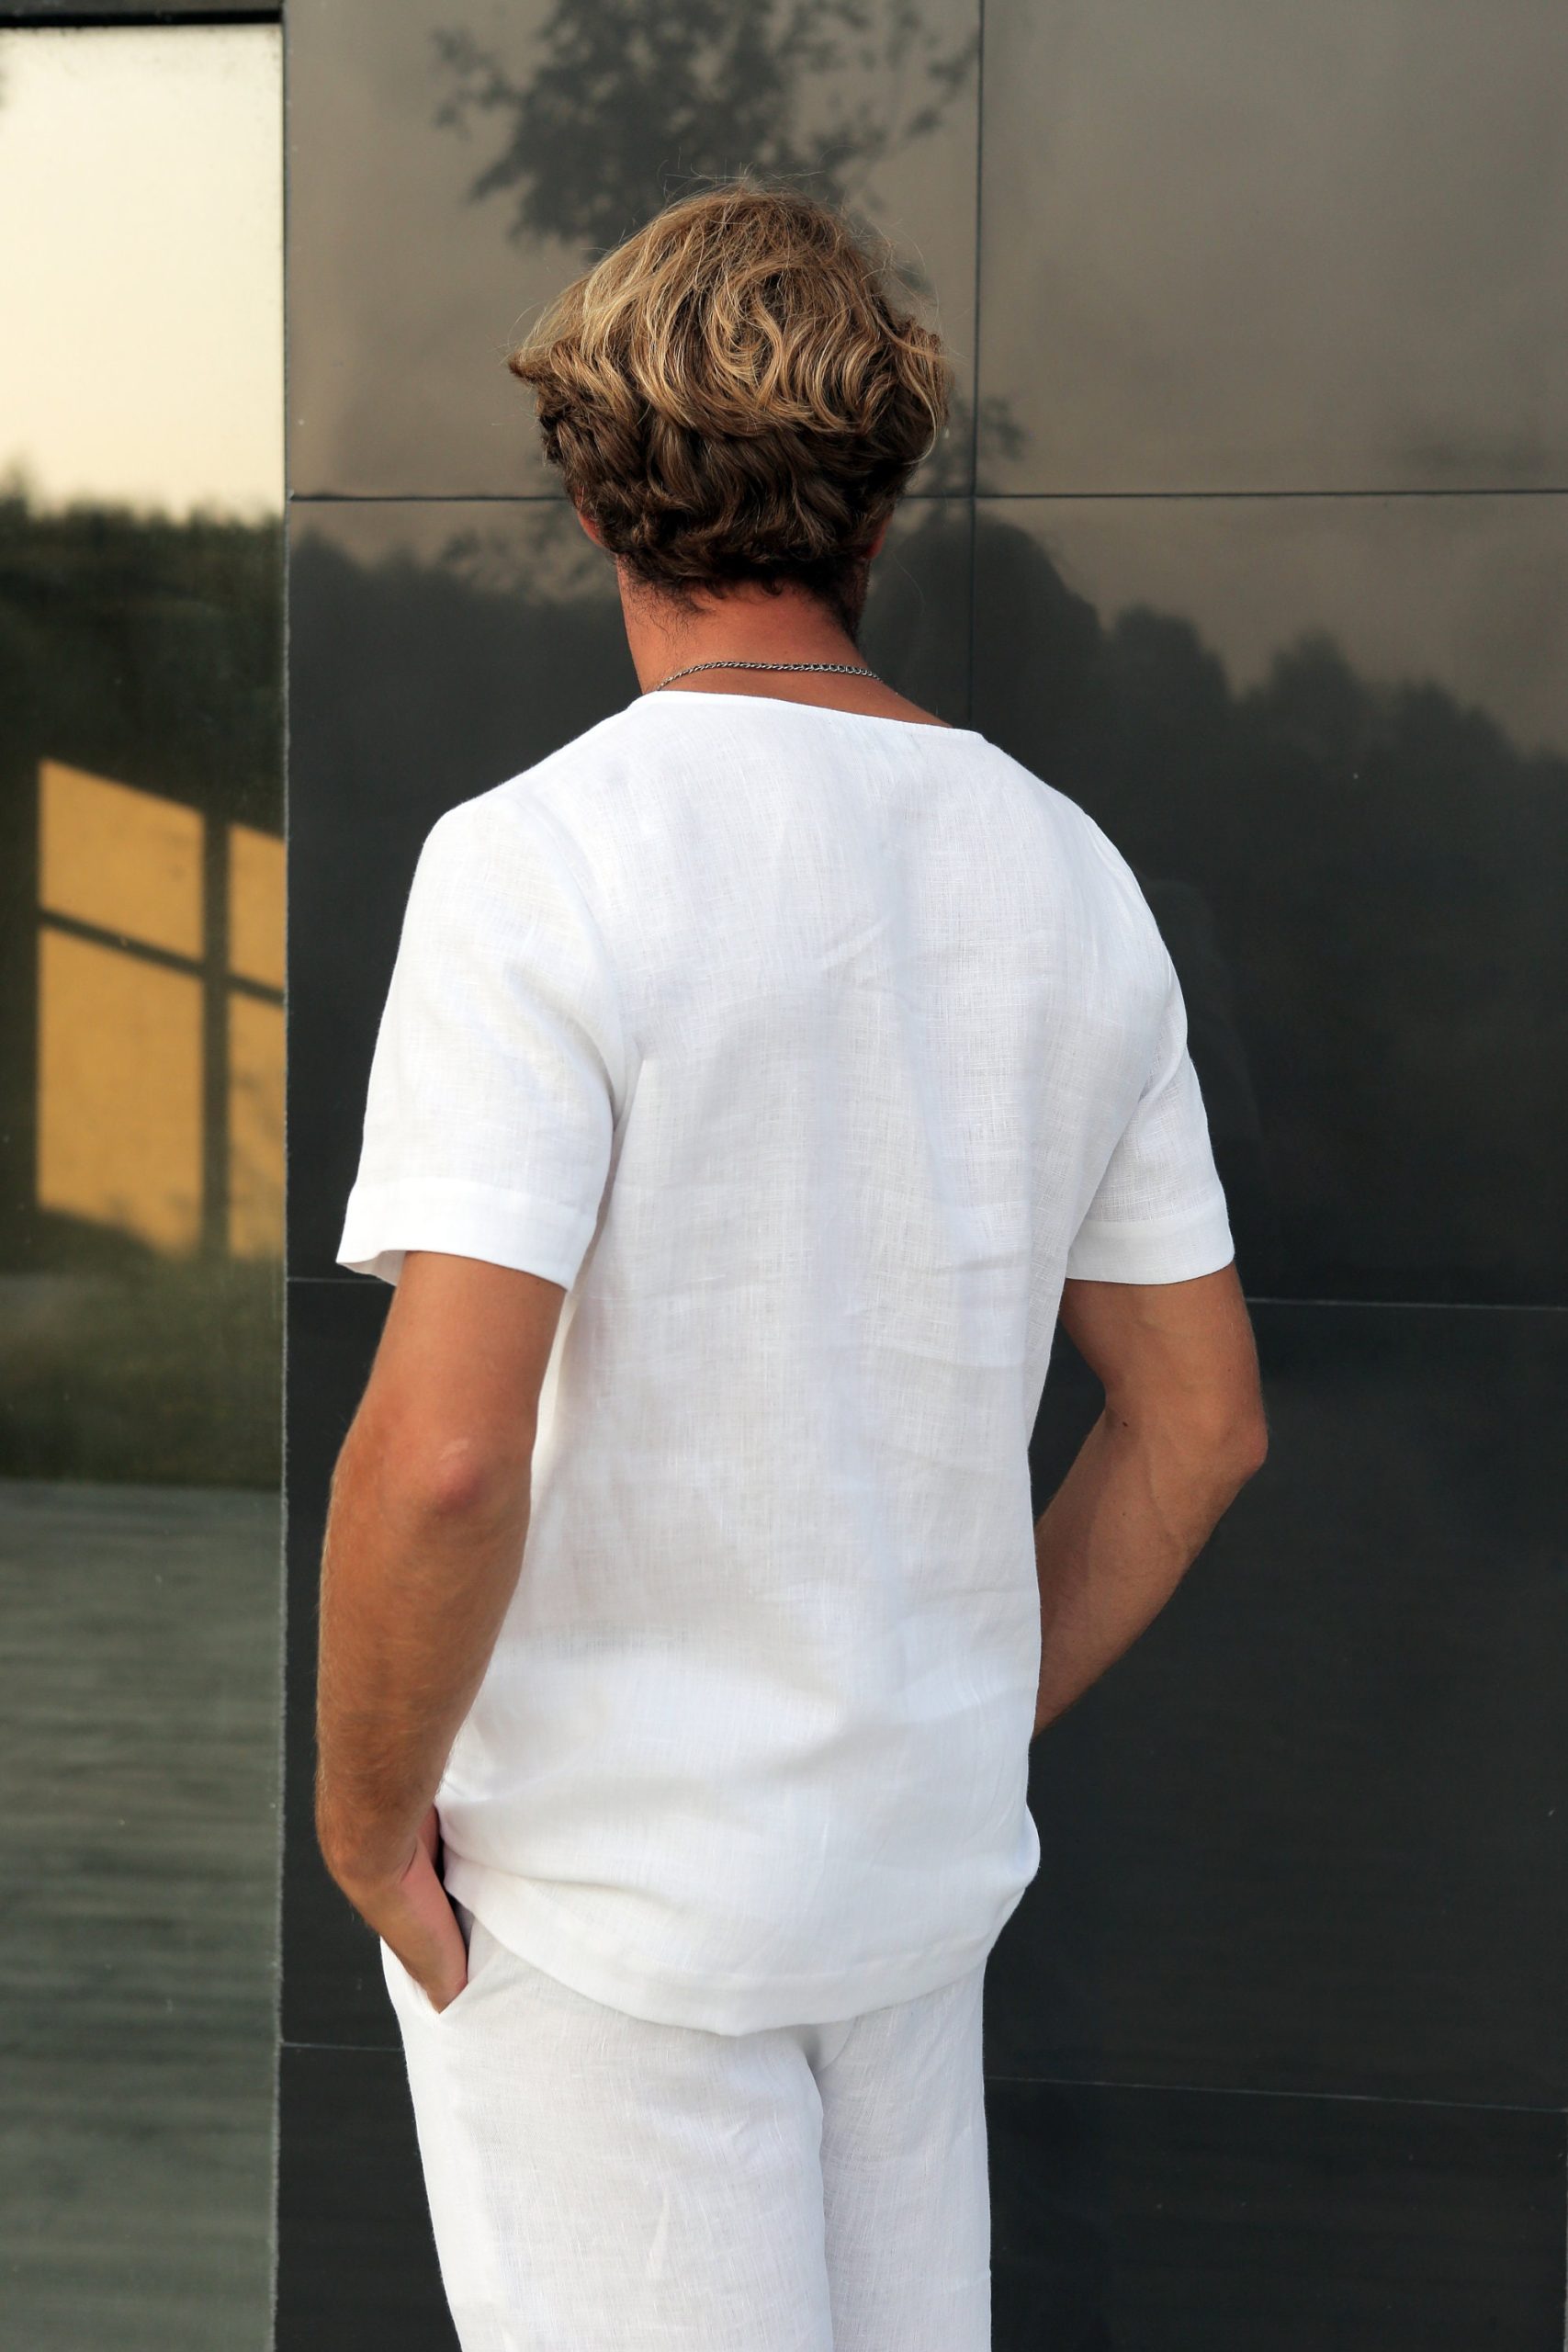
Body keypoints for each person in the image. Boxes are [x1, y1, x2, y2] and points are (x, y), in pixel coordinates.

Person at [314, 176, 1268, 2350]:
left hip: (603, 1911)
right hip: (904, 1900)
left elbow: (443, 1457)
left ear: (590, 494)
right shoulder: (1064, 872)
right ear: (879, 510)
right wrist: (935, 1723)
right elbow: (1198, 1424)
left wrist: (369, 1829)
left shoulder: (536, 864)